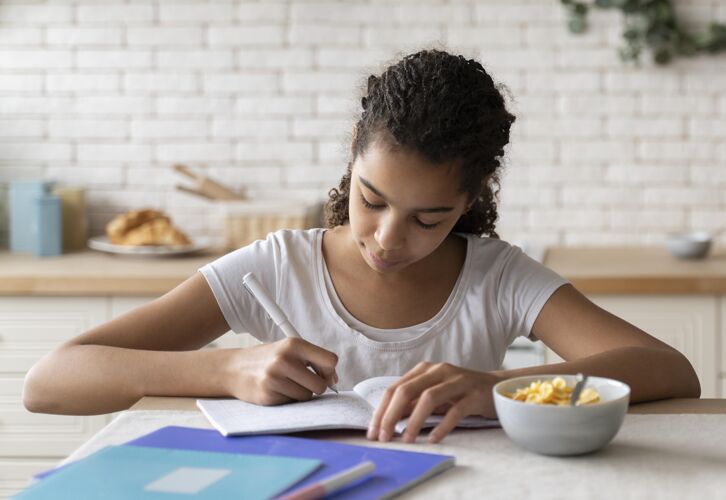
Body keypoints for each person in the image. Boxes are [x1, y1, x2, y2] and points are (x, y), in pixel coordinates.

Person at [23, 49, 700, 444]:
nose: (386, 238)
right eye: (372, 200)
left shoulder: (497, 278)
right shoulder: (274, 268)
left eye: (429, 219)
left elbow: (669, 370)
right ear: (352, 153)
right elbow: (49, 383)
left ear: (470, 199)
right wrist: (224, 372)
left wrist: (496, 388)